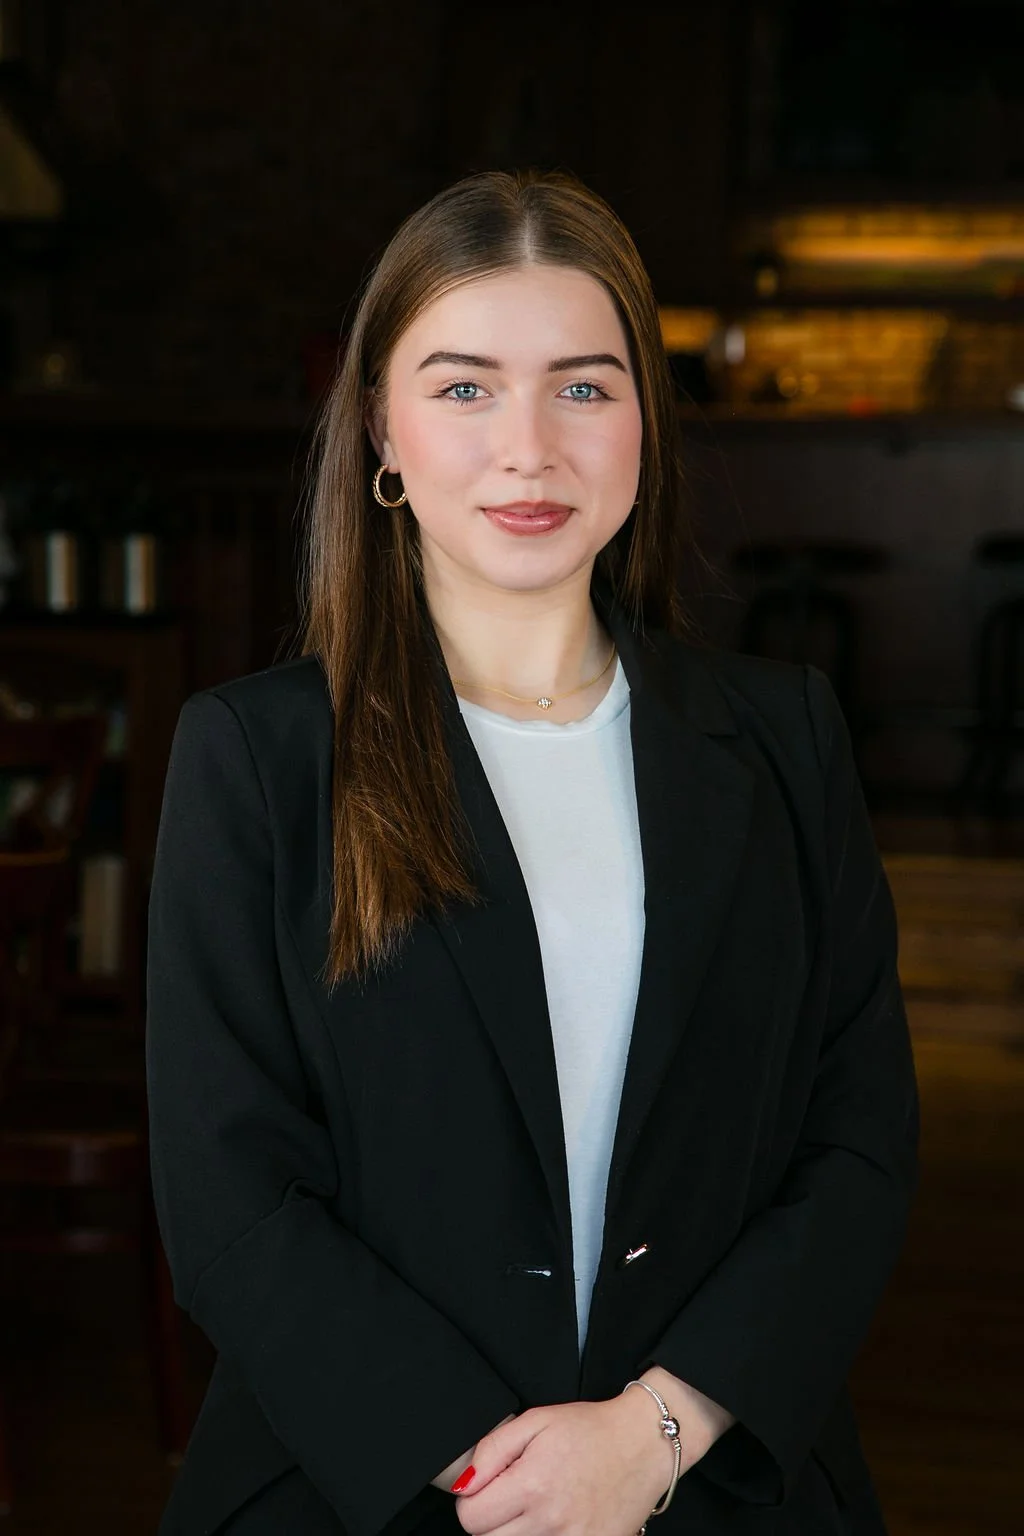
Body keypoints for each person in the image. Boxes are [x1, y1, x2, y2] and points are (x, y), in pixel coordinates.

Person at [145, 168, 920, 1536]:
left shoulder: (783, 739)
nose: (529, 447)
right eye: (462, 386)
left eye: (582, 384)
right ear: (381, 429)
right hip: (362, 1490)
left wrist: (651, 1437)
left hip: (721, 1482)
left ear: (643, 428)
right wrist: (493, 1472)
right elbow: (226, 1195)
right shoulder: (255, 761)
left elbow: (857, 1146)